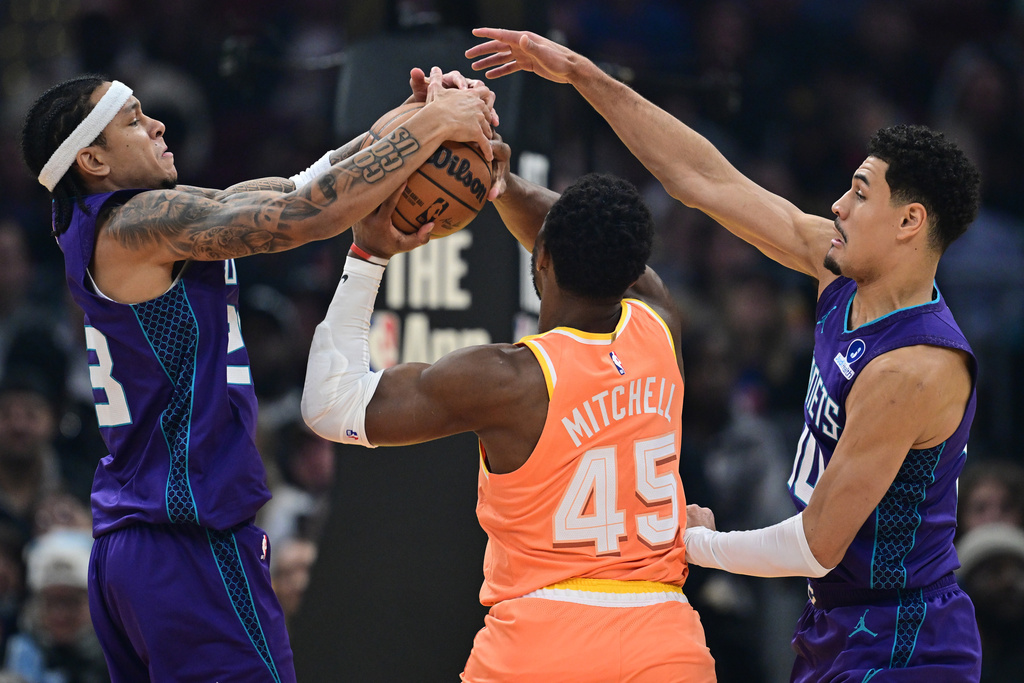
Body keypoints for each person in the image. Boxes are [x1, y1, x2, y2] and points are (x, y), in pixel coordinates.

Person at [467, 28, 983, 681]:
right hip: (840, 619)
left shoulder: (913, 367)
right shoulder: (839, 270)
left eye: (860, 192)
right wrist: (581, 73)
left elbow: (815, 544)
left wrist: (688, 540)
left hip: (905, 638)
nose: (837, 205)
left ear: (910, 222)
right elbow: (702, 179)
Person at [19, 68, 495, 682]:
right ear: (93, 159)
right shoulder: (136, 223)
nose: (157, 124)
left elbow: (294, 188)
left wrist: (404, 121)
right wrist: (436, 125)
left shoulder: (129, 224)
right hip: (187, 543)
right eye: (134, 119)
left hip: (139, 545)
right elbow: (301, 215)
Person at [300, 171, 715, 681]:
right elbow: (582, 234)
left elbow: (330, 405)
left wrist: (368, 254)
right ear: (633, 270)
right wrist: (504, 185)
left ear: (541, 258)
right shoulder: (660, 324)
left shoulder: (507, 379)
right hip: (665, 638)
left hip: (542, 642)